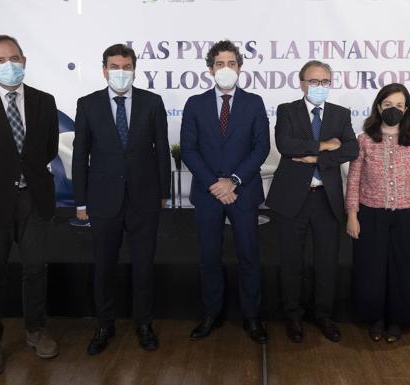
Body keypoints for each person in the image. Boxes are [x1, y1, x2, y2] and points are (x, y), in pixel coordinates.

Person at [0, 35, 59, 377]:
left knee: (36, 268)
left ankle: (36, 330)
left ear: (25, 59)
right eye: (0, 60)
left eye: (14, 57)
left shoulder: (44, 101)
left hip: (32, 198)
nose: (9, 64)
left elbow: (47, 148)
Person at [72, 43, 171, 355]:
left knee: (143, 266)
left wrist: (164, 193)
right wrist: (81, 201)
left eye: (126, 67)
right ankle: (105, 324)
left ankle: (144, 323)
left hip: (144, 199)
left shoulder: (152, 102)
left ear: (134, 69)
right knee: (104, 266)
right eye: (114, 67)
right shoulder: (87, 104)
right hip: (103, 201)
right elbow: (80, 155)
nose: (121, 72)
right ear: (104, 70)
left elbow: (162, 150)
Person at [180, 40, 270, 344]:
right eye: (220, 63)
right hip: (208, 194)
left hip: (243, 192)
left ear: (240, 68)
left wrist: (233, 180)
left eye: (232, 63)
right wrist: (215, 184)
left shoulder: (254, 103)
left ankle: (252, 317)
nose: (226, 69)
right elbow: (189, 151)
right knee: (208, 257)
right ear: (210, 69)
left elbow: (261, 148)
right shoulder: (195, 104)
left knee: (249, 256)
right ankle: (211, 314)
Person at [266, 60, 358, 343]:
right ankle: (293, 316)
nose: (319, 87)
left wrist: (317, 158)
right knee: (292, 261)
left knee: (326, 262)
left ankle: (324, 315)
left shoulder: (340, 114)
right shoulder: (287, 110)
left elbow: (352, 148)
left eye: (325, 82)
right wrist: (327, 144)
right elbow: (285, 144)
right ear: (302, 82)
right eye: (314, 81)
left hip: (326, 200)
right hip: (292, 199)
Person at [345, 83, 410, 343]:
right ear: (378, 107)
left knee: (406, 270)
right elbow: (353, 180)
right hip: (371, 214)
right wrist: (352, 215)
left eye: (399, 105)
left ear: (406, 109)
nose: (393, 109)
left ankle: (398, 320)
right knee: (371, 269)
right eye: (388, 105)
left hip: (409, 215)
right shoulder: (364, 139)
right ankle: (375, 318)